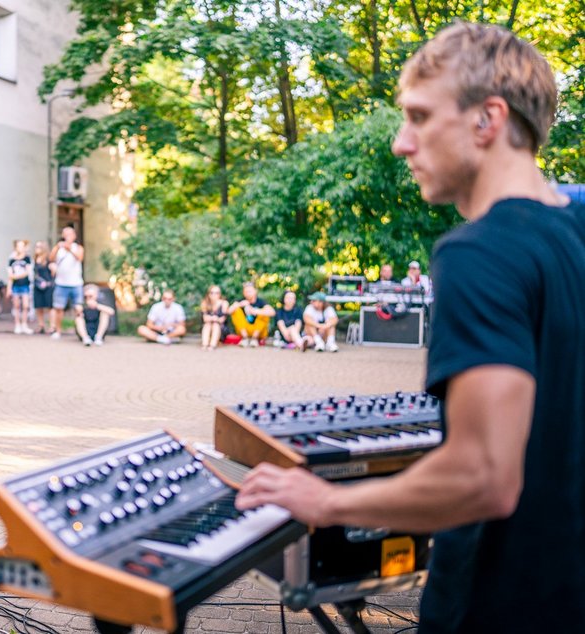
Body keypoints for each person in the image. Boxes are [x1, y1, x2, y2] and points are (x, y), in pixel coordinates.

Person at [236, 22, 585, 634]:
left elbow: (482, 478)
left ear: (488, 120)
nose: (402, 143)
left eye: (419, 117)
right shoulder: (576, 227)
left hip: (500, 607)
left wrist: (329, 501)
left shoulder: (480, 254)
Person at [49, 225, 85, 339]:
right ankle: (58, 331)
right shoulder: (59, 247)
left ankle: (80, 331)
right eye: (66, 234)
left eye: (70, 234)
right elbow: (51, 258)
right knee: (59, 308)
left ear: (74, 236)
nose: (68, 236)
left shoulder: (78, 247)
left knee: (78, 309)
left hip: (76, 283)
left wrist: (69, 249)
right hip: (61, 283)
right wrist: (56, 247)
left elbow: (79, 258)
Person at [227, 281, 275, 347]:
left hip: (259, 332)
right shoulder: (241, 301)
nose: (248, 293)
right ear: (243, 293)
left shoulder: (261, 301)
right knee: (236, 310)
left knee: (264, 312)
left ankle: (254, 339)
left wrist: (256, 311)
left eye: (250, 291)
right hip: (244, 330)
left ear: (255, 291)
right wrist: (239, 304)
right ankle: (245, 338)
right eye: (246, 292)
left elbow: (272, 312)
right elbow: (228, 311)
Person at [7, 239, 33, 334]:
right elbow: (9, 275)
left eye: (22, 246)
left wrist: (15, 276)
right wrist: (8, 288)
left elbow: (27, 272)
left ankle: (24, 324)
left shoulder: (27, 259)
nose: (20, 248)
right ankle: (17, 324)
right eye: (18, 246)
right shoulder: (12, 260)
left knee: (26, 306)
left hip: (25, 285)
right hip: (15, 286)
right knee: (16, 306)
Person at [32, 241, 56, 334]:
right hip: (38, 286)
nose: (37, 248)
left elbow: (53, 272)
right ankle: (41, 325)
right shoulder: (35, 259)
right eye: (36, 246)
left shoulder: (49, 259)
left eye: (39, 247)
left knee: (50, 306)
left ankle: (52, 326)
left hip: (48, 286)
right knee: (39, 306)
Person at [200, 285, 229, 350]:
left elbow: (222, 319)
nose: (214, 295)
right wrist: (214, 318)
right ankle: (205, 344)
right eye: (212, 293)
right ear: (208, 294)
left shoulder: (224, 303)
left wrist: (213, 318)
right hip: (208, 327)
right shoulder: (205, 303)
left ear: (220, 294)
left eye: (216, 293)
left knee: (215, 324)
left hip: (221, 329)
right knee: (208, 324)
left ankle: (213, 345)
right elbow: (205, 318)